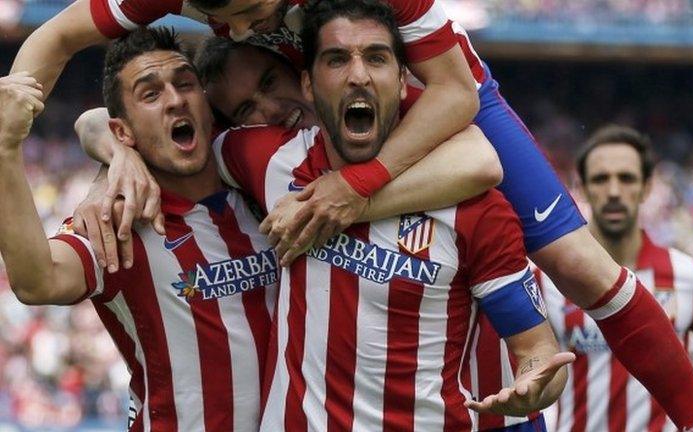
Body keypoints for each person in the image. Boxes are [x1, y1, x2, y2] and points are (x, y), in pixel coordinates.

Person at [12, 0, 693, 427]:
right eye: (218, 19)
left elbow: (474, 148)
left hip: (435, 97)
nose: (234, 24)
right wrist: (112, 146)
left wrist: (359, 189)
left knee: (573, 263)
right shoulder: (269, 154)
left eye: (254, 22)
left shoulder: (382, 52)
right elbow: (51, 44)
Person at [208, 4, 574, 429]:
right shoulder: (270, 160)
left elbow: (537, 349)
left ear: (403, 83)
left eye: (377, 58)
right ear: (308, 83)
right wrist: (113, 144)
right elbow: (170, 149)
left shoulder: (477, 207)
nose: (358, 75)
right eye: (336, 59)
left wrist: (535, 383)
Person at [0, 28, 279, 430]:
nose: (175, 99)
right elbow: (37, 281)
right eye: (151, 94)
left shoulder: (263, 193)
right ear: (123, 132)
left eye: (185, 84)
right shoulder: (122, 220)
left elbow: (92, 124)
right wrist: (7, 150)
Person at [540, 125, 693, 431]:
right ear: (581, 186)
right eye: (600, 179)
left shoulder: (688, 275)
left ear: (647, 187)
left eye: (626, 178)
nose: (613, 191)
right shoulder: (550, 278)